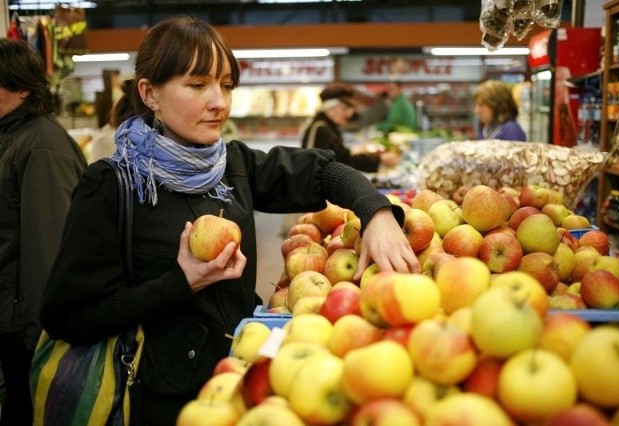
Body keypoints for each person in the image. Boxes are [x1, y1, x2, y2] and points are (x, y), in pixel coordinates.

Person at [39, 15, 420, 425]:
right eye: (198, 85)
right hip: (160, 403)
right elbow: (67, 316)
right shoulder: (111, 186)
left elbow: (324, 171)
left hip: (237, 383)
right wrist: (180, 283)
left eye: (226, 85)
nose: (219, 101)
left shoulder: (233, 165)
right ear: (150, 93)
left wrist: (377, 213)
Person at [0, 39, 87, 426]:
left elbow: (47, 250)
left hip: (23, 332)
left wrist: (40, 339)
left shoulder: (43, 147)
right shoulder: (12, 137)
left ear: (21, 88)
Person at [302, 82, 400, 173]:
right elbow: (341, 162)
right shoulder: (321, 129)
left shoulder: (329, 128)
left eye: (350, 109)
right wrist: (379, 160)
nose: (349, 114)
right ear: (330, 107)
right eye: (345, 108)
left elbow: (340, 157)